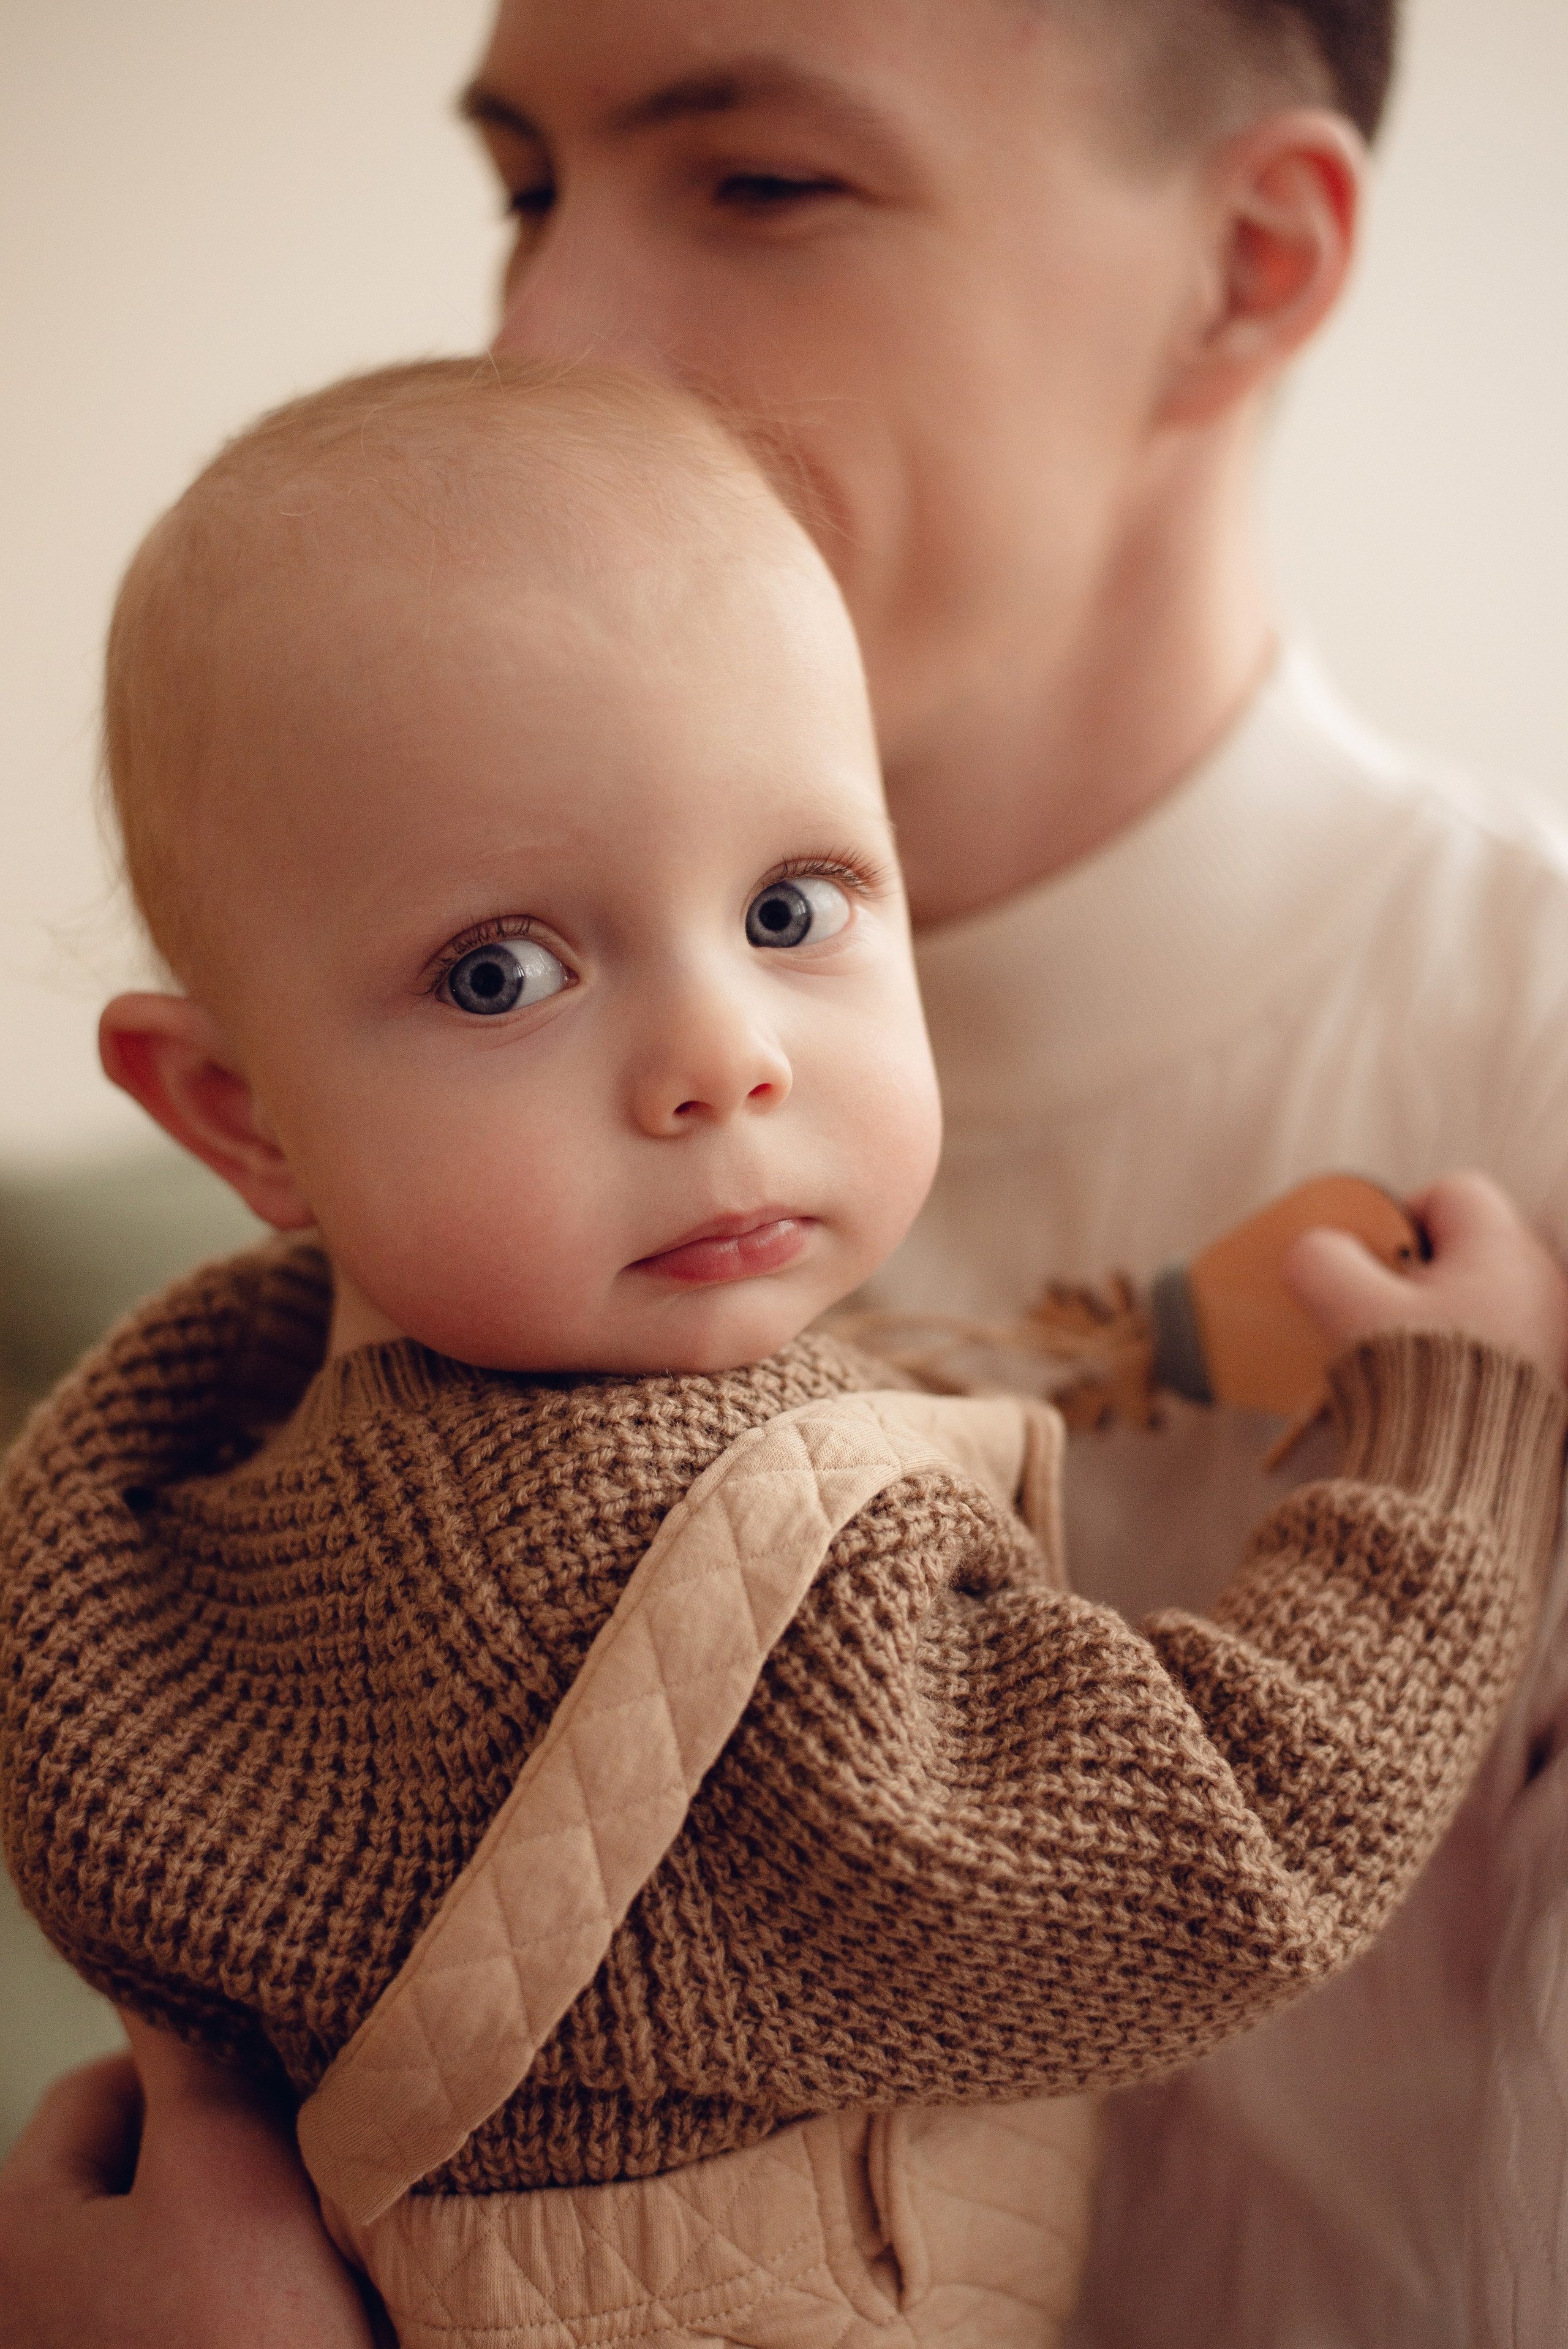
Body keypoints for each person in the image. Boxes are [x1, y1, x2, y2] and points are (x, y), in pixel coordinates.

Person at [6, 2, 1568, 2342]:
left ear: (1245, 261)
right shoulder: (435, 1300)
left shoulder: (1518, 1072)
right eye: (527, 184)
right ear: (242, 1129)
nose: (546, 327)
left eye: (758, 181)